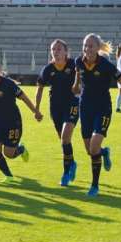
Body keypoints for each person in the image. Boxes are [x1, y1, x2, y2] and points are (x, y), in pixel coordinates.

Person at [72, 33, 121, 197]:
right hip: (85, 108)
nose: (87, 49)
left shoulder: (106, 65)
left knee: (93, 146)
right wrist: (76, 85)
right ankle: (104, 152)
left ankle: (94, 186)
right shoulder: (79, 61)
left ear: (98, 48)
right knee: (90, 151)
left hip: (103, 109)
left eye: (91, 46)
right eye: (85, 45)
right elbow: (78, 77)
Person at [35, 39, 79, 186]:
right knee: (63, 140)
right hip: (55, 107)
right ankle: (72, 162)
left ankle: (66, 173)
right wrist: (37, 108)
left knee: (66, 137)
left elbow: (84, 78)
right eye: (53, 49)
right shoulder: (48, 69)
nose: (56, 52)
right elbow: (40, 88)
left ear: (66, 52)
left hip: (72, 104)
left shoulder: (73, 65)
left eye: (59, 49)